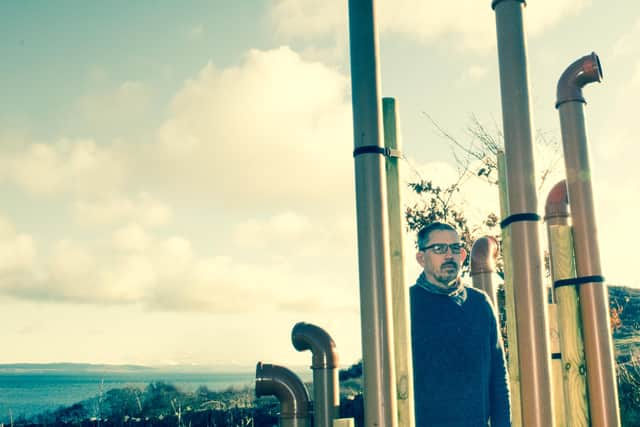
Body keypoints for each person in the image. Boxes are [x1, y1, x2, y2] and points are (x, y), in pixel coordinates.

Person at [410, 222, 511, 427]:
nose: (449, 255)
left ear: (463, 256)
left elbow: (498, 380)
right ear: (421, 258)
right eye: (439, 249)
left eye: (455, 248)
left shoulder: (480, 304)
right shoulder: (406, 305)